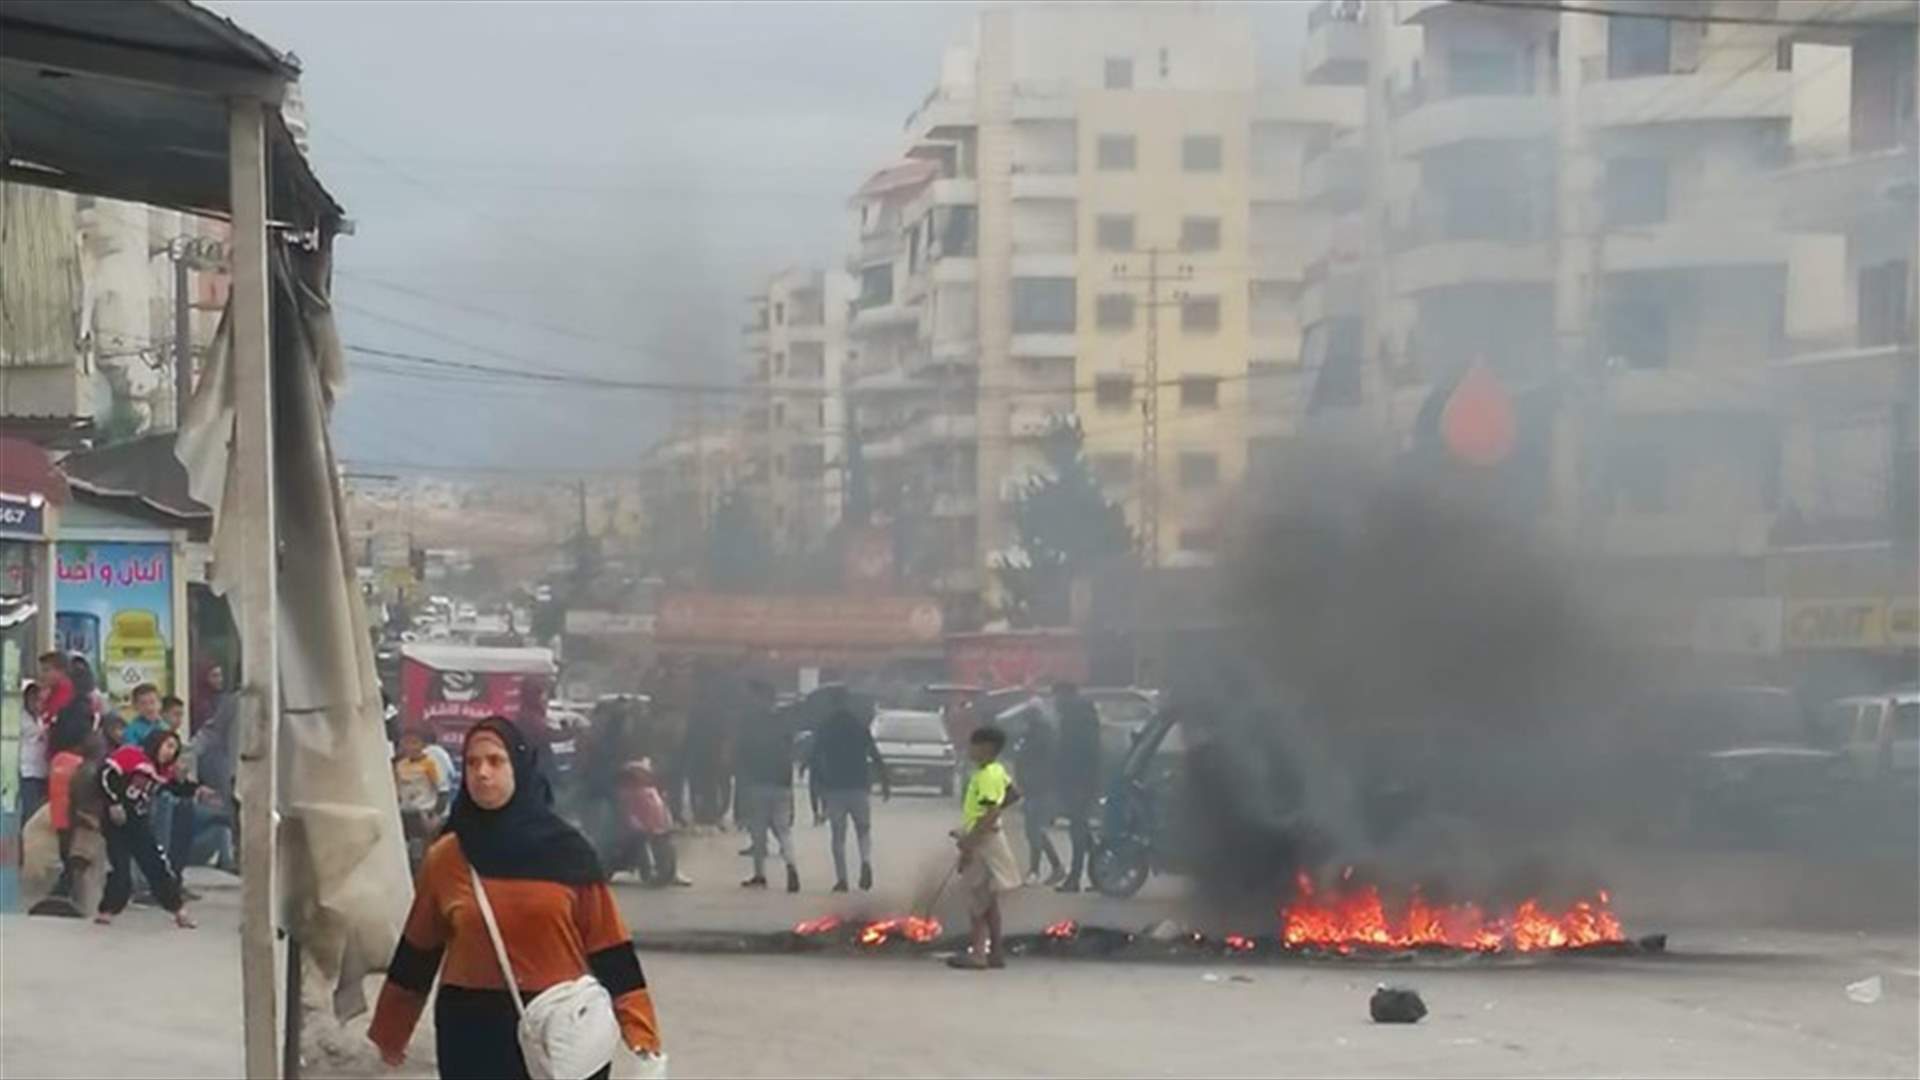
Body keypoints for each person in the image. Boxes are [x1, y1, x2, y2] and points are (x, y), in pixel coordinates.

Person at [367, 716, 664, 1079]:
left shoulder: (568, 853)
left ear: (519, 767)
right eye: (473, 763)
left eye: (495, 761)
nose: (482, 773)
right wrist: (391, 1030)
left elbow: (610, 945)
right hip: (472, 1031)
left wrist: (640, 1030)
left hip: (561, 1025)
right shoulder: (448, 857)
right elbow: (418, 949)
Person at [96, 728, 204, 928]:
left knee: (157, 866)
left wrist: (196, 789)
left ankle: (178, 910)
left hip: (139, 824)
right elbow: (104, 775)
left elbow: (176, 788)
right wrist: (113, 802)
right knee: (120, 869)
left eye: (174, 749)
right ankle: (107, 910)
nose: (170, 752)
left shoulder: (164, 772)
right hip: (116, 822)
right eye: (168, 746)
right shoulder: (131, 755)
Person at [947, 726, 1022, 971]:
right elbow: (1013, 794)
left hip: (983, 843)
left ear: (987, 748)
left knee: (977, 901)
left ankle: (978, 954)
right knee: (989, 902)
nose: (970, 750)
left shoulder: (986, 776)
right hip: (989, 838)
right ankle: (996, 953)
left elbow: (989, 813)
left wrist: (970, 842)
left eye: (973, 745)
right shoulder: (997, 771)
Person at [806, 695, 891, 893]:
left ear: (831, 705)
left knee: (838, 836)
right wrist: (885, 782)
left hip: (835, 788)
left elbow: (815, 757)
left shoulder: (826, 727)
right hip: (859, 787)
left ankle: (842, 880)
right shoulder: (859, 727)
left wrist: (816, 788)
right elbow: (874, 754)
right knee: (863, 830)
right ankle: (866, 860)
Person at [734, 682, 800, 892]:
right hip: (782, 783)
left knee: (758, 831)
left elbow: (743, 753)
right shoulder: (783, 722)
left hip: (758, 782)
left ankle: (760, 875)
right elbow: (790, 752)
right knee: (783, 830)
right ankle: (791, 865)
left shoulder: (751, 722)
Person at [1052, 682, 1102, 894]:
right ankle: (1101, 872)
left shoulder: (1077, 717)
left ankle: (1075, 877)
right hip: (1080, 779)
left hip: (1079, 780)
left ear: (1065, 695)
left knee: (1078, 829)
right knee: (1081, 828)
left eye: (1056, 697)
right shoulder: (1078, 714)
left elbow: (1079, 752)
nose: (1055, 703)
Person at [1014, 710, 1065, 886]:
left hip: (1038, 789)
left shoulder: (1038, 740)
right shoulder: (1038, 738)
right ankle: (1055, 867)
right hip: (1035, 788)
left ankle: (1036, 870)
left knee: (1034, 830)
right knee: (1035, 831)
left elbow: (1029, 762)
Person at [394, 727, 449, 867]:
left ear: (423, 745)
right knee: (404, 853)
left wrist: (435, 815)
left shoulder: (430, 765)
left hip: (423, 814)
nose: (410, 747)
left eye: (414, 743)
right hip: (404, 812)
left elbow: (442, 790)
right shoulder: (400, 765)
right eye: (406, 743)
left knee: (421, 856)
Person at [18, 682, 49, 846]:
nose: (37, 704)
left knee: (39, 814)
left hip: (43, 771)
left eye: (40, 700)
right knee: (30, 813)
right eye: (34, 700)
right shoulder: (20, 720)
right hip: (27, 771)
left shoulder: (43, 718)